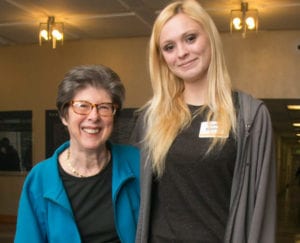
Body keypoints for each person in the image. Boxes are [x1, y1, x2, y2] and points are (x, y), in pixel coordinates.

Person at [130, 1, 276, 242]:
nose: (181, 53)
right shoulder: (151, 118)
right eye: (169, 47)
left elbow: (263, 208)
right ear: (162, 58)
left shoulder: (250, 116)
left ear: (209, 37)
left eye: (190, 38)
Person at [15, 65, 140, 243]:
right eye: (82, 106)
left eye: (104, 107)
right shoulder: (39, 179)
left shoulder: (137, 163)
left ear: (114, 116)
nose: (94, 116)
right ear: (64, 117)